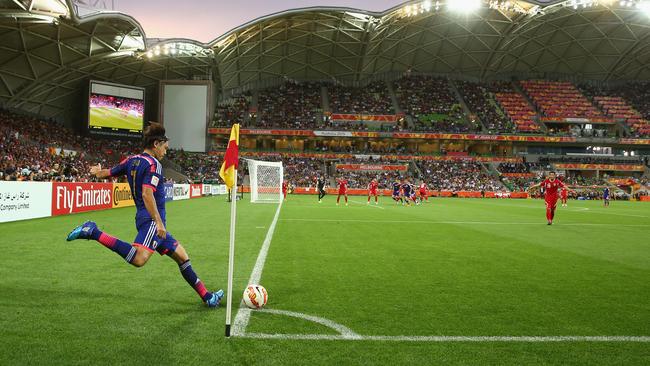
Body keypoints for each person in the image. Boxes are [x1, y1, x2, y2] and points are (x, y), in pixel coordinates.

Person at [65, 123, 223, 307]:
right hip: (151, 222)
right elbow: (147, 193)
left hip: (146, 219)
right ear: (156, 144)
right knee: (139, 259)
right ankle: (93, 232)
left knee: (182, 257)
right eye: (164, 146)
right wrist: (158, 223)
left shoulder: (131, 160)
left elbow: (106, 174)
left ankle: (208, 297)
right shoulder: (154, 165)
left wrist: (97, 171)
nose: (166, 150)